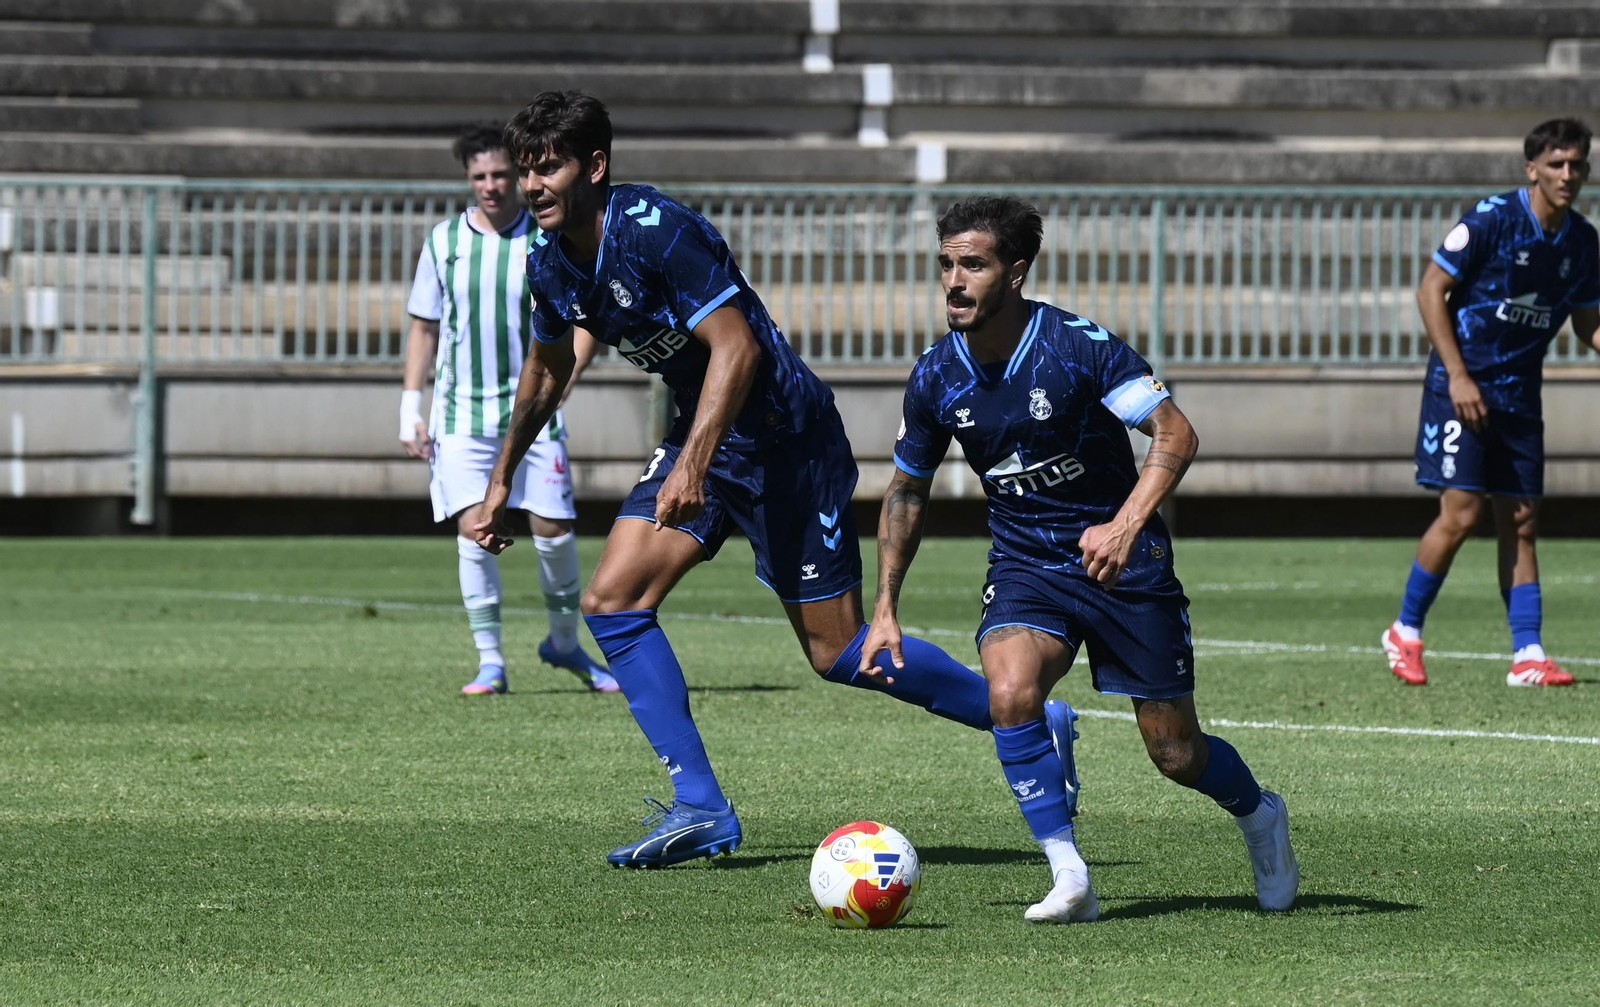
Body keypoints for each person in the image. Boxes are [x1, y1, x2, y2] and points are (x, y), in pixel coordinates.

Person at [472, 91, 1067, 868]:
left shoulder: (659, 231)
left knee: (840, 653)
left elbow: (739, 349)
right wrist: (499, 480)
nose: (533, 185)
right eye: (524, 171)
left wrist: (691, 461)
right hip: (708, 437)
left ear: (595, 165)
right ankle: (701, 807)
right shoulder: (548, 261)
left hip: (788, 440)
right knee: (612, 600)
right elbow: (546, 370)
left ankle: (1028, 719)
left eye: (548, 167)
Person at [871, 195, 1298, 923]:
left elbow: (1175, 435)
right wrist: (884, 607)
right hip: (1026, 564)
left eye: (972, 264)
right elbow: (907, 492)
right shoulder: (936, 375)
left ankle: (1260, 815)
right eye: (944, 264)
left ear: (1016, 270)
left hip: (1125, 564)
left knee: (1175, 753)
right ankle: (1071, 876)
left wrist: (1126, 524)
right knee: (1010, 692)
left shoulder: (1078, 347)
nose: (953, 280)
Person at [1383, 117, 1600, 688]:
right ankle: (1405, 630)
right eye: (1556, 164)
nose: (1568, 174)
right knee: (1462, 514)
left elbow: (1587, 323)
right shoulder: (1494, 219)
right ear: (1532, 169)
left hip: (1520, 393)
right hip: (1462, 387)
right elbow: (1431, 288)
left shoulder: (1582, 242)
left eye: (1577, 164)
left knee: (1523, 520)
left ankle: (1528, 653)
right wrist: (1458, 376)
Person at [401, 125, 618, 697]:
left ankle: (564, 643)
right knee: (476, 530)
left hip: (533, 411)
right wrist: (409, 405)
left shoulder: (547, 239)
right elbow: (424, 326)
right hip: (460, 414)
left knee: (554, 529)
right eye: (481, 176)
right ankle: (490, 661)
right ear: (468, 180)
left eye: (502, 174)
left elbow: (585, 318)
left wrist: (569, 375)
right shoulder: (444, 241)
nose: (493, 185)